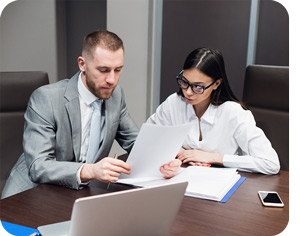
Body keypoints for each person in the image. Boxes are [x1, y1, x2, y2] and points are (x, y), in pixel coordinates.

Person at [2, 30, 140, 199]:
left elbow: (135, 141)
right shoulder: (47, 98)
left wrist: (167, 157)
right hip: (31, 194)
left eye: (117, 70)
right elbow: (38, 166)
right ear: (82, 64)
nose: (112, 79)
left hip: (77, 193)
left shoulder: (115, 95)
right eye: (103, 70)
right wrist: (90, 170)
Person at [148, 47, 280, 178]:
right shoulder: (174, 103)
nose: (188, 92)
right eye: (184, 82)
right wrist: (178, 152)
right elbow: (149, 138)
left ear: (216, 83)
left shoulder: (234, 113)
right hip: (182, 180)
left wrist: (214, 157)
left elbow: (270, 163)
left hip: (222, 185)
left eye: (198, 87)